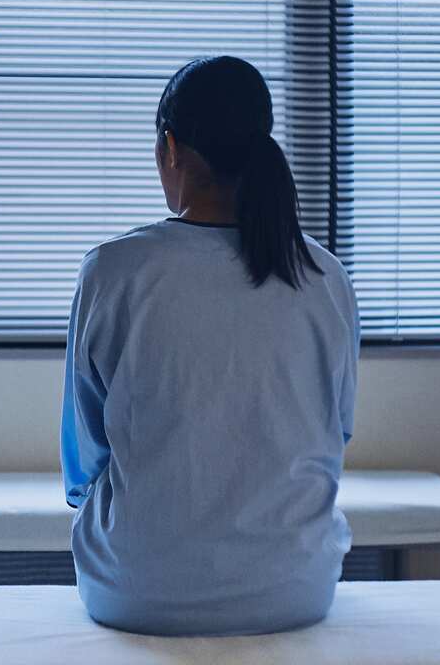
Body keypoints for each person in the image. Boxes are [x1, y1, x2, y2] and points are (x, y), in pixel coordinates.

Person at [60, 56, 359, 636]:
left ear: (170, 148)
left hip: (137, 592)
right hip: (295, 589)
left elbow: (86, 457)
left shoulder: (113, 271)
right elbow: (336, 430)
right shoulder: (325, 276)